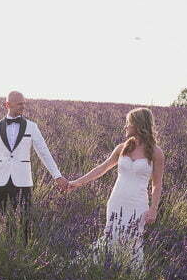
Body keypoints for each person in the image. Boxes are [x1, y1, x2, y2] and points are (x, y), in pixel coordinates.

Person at [68, 107, 165, 266]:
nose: (125, 127)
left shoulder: (156, 152)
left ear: (139, 125)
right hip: (116, 200)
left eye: (128, 123)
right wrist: (77, 183)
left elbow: (157, 183)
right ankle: (103, 271)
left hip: (138, 203)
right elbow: (102, 168)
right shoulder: (122, 148)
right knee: (111, 236)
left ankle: (129, 278)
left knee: (133, 240)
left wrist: (153, 209)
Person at [0, 91, 68, 242]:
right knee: (1, 221)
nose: (23, 106)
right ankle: (4, 253)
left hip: (22, 180)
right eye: (19, 104)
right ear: (7, 105)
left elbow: (44, 152)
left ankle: (24, 253)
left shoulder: (32, 127)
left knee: (25, 220)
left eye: (24, 103)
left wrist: (57, 175)